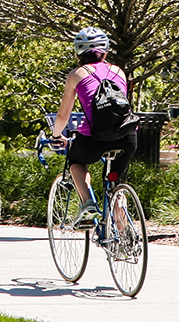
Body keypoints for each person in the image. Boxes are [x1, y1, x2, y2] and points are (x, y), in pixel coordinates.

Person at [48, 27, 136, 229]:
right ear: (105, 51)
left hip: (93, 138)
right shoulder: (118, 71)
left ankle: (88, 204)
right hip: (127, 135)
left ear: (78, 52)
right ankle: (125, 240)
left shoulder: (76, 74)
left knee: (75, 160)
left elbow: (63, 115)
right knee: (115, 185)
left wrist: (57, 134)